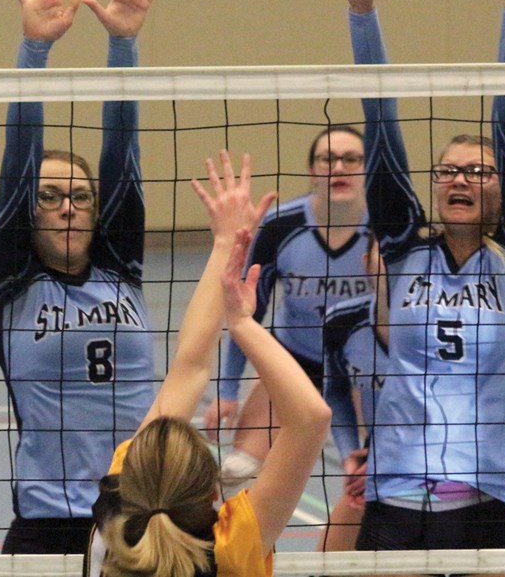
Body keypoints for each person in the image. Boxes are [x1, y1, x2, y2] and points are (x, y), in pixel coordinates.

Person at [330, 0, 505, 561]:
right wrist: (360, 13)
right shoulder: (401, 250)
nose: (458, 177)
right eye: (447, 169)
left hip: (495, 494)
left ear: (498, 188)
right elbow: (380, 119)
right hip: (398, 493)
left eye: (477, 170)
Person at [0, 0, 167, 553]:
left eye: (80, 196)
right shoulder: (11, 281)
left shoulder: (122, 269)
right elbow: (18, 163)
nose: (66, 206)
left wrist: (123, 48)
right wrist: (34, 52)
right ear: (29, 211)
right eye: (51, 196)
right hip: (49, 522)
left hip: (143, 515)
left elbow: (124, 154)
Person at [84, 151, 332, 577]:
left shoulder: (113, 527)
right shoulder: (229, 548)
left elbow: (190, 368)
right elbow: (310, 416)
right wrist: (242, 321)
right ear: (213, 492)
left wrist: (223, 247)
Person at [202, 126, 376, 550]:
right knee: (238, 468)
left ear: (367, 169)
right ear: (311, 170)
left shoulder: (389, 229)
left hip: (362, 373)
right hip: (294, 362)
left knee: (368, 485)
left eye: (351, 159)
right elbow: (248, 309)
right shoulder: (284, 225)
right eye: (327, 159)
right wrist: (227, 391)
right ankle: (229, 556)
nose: (339, 168)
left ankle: (324, 563)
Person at [321, 234, 388, 547]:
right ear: (366, 264)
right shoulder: (342, 321)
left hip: (442, 469)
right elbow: (335, 392)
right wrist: (351, 453)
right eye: (385, 254)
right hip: (374, 464)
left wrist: (385, 463)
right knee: (327, 556)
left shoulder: (443, 325)